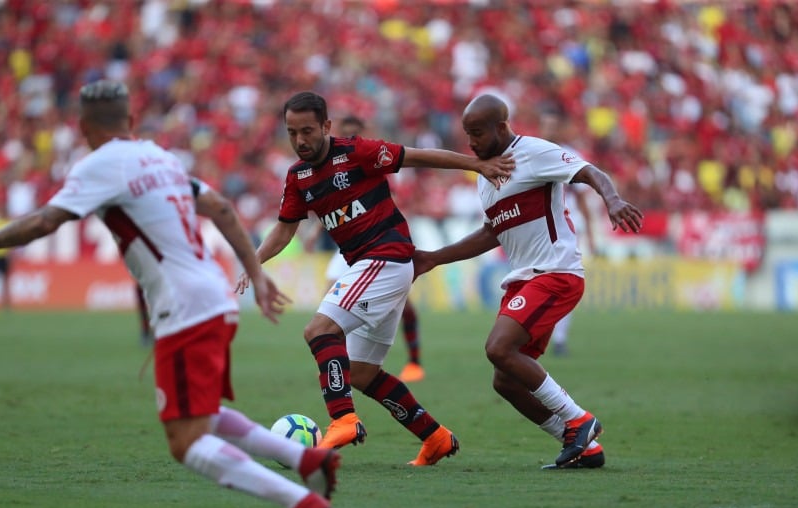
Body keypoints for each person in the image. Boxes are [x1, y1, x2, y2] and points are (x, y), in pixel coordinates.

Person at [0, 80, 341, 508]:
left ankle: (300, 502)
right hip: (212, 298)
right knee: (201, 414)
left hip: (185, 308)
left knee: (185, 441)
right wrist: (254, 276)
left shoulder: (98, 166)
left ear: (83, 127)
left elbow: (45, 221)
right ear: (131, 121)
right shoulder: (159, 157)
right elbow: (221, 208)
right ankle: (306, 462)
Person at [237, 91, 514, 466]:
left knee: (319, 331)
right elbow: (284, 231)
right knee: (362, 372)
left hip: (386, 257)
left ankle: (343, 419)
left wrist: (476, 165)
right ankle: (434, 437)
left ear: (326, 126)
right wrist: (253, 264)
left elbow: (417, 156)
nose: (300, 140)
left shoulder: (356, 153)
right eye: (292, 132)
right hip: (371, 267)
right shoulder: (298, 176)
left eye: (307, 131)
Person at [413, 94, 644, 469]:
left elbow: (589, 171)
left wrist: (612, 200)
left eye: (477, 133)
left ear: (502, 127)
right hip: (524, 281)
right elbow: (492, 233)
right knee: (504, 381)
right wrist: (434, 258)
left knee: (498, 348)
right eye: (467, 134)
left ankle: (580, 421)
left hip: (555, 273)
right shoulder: (486, 176)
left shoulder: (534, 153)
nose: (471, 142)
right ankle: (581, 447)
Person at [310, 114, 425, 383]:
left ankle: (414, 360)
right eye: (345, 132)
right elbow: (331, 204)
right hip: (348, 246)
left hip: (378, 243)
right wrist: (316, 230)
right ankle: (340, 365)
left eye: (354, 132)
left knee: (403, 304)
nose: (349, 137)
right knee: (330, 299)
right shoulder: (330, 163)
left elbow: (385, 198)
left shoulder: (367, 160)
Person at [538, 111, 598, 357]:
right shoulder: (532, 153)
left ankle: (559, 338)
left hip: (566, 227)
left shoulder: (569, 156)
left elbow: (583, 197)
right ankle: (535, 331)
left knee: (563, 280)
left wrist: (591, 231)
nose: (550, 130)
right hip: (538, 229)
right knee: (537, 280)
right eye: (546, 125)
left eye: (554, 125)